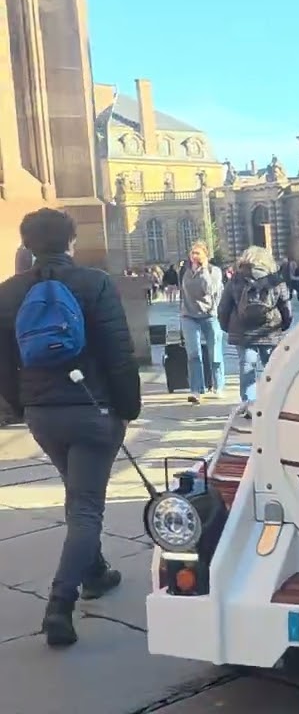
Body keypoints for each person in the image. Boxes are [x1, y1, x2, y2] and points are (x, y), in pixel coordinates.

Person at [0, 208, 141, 647]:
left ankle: (96, 570)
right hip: (93, 408)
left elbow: (3, 363)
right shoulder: (94, 283)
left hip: (43, 413)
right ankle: (61, 603)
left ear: (26, 244)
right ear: (70, 242)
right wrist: (126, 410)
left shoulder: (8, 293)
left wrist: (21, 404)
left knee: (76, 493)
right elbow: (120, 353)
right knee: (86, 506)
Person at [217, 246, 291, 410]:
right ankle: (275, 402)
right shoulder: (275, 279)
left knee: (247, 367)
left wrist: (227, 327)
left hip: (243, 331)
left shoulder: (236, 279)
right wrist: (284, 324)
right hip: (270, 330)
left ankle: (248, 405)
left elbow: (224, 307)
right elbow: (285, 304)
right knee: (272, 368)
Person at [178, 241, 225, 403]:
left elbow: (210, 290)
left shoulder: (215, 271)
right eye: (192, 253)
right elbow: (182, 292)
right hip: (189, 315)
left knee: (214, 353)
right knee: (193, 354)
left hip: (209, 315)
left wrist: (203, 269)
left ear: (205, 255)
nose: (194, 256)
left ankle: (218, 385)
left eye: (198, 253)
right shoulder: (185, 271)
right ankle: (196, 390)